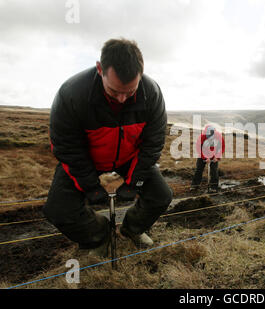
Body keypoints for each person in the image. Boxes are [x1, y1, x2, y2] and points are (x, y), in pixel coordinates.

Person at [43, 38, 173, 257]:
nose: (122, 99)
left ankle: (132, 229)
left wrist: (133, 182)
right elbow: (67, 147)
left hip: (128, 160)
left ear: (141, 74)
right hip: (88, 161)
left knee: (161, 196)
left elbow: (153, 143)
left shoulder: (152, 94)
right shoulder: (72, 94)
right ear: (99, 69)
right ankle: (98, 235)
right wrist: (91, 186)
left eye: (130, 92)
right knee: (59, 210)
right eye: (114, 92)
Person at [191, 125, 225, 193]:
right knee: (199, 169)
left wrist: (217, 157)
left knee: (214, 171)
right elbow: (198, 149)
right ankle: (194, 186)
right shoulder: (201, 137)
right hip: (203, 154)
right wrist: (205, 158)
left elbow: (222, 147)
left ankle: (214, 187)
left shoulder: (219, 136)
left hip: (214, 154)